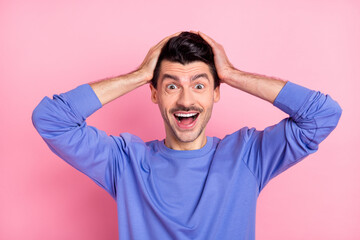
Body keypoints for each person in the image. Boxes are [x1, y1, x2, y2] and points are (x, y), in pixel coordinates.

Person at [32, 31, 342, 240]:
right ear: (154, 93)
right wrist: (138, 75)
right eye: (171, 86)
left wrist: (232, 74)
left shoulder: (248, 155)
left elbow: (322, 115)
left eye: (198, 85)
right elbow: (51, 119)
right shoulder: (124, 161)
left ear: (216, 92)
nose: (185, 101)